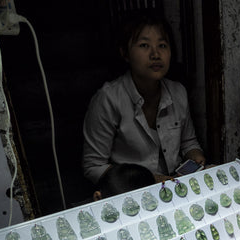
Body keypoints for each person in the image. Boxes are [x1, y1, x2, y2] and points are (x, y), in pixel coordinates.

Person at [83, 11, 206, 185]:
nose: (155, 54)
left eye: (162, 45)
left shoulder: (178, 92)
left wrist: (196, 157)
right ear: (125, 53)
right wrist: (146, 180)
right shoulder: (108, 99)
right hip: (132, 192)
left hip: (176, 185)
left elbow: (189, 143)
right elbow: (93, 166)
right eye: (144, 45)